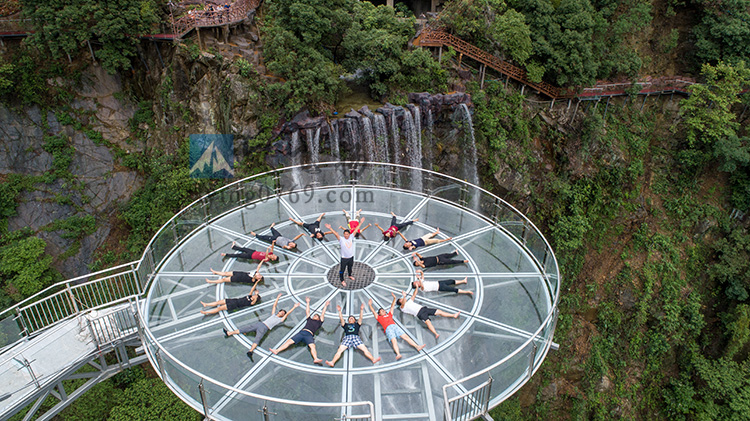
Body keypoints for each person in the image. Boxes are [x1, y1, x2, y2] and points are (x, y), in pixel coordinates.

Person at [223, 293, 300, 360]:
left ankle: (251, 351)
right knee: (244, 328)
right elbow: (274, 305)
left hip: (265, 328)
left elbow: (287, 313)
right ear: (279, 311)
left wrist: (294, 307)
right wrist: (278, 297)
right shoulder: (273, 314)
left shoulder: (280, 320)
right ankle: (229, 333)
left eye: (283, 313)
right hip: (260, 324)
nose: (282, 313)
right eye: (281, 312)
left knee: (257, 339)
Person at [270, 297, 329, 364]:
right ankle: (277, 350)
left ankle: (315, 358)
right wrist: (308, 302)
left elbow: (323, 314)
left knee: (312, 346)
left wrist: (325, 306)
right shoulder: (309, 319)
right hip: (302, 332)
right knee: (289, 342)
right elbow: (307, 311)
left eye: (316, 316)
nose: (314, 316)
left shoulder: (319, 322)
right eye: (314, 315)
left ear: (318, 318)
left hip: (309, 335)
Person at [396, 290, 460, 339]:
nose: (403, 299)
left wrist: (417, 287)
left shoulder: (409, 301)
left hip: (424, 309)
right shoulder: (402, 308)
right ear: (400, 302)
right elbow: (403, 303)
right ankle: (435, 333)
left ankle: (453, 315)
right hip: (420, 313)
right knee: (428, 322)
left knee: (439, 311)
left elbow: (414, 295)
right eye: (401, 299)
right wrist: (404, 296)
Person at [326, 221, 364, 287]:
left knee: (350, 268)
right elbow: (336, 234)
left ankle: (349, 275)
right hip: (344, 258)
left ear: (349, 234)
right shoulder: (341, 239)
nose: (346, 235)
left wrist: (360, 223)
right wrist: (330, 228)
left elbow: (356, 229)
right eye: (345, 234)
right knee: (342, 270)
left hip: (351, 257)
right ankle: (342, 280)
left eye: (347, 234)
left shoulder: (351, 237)